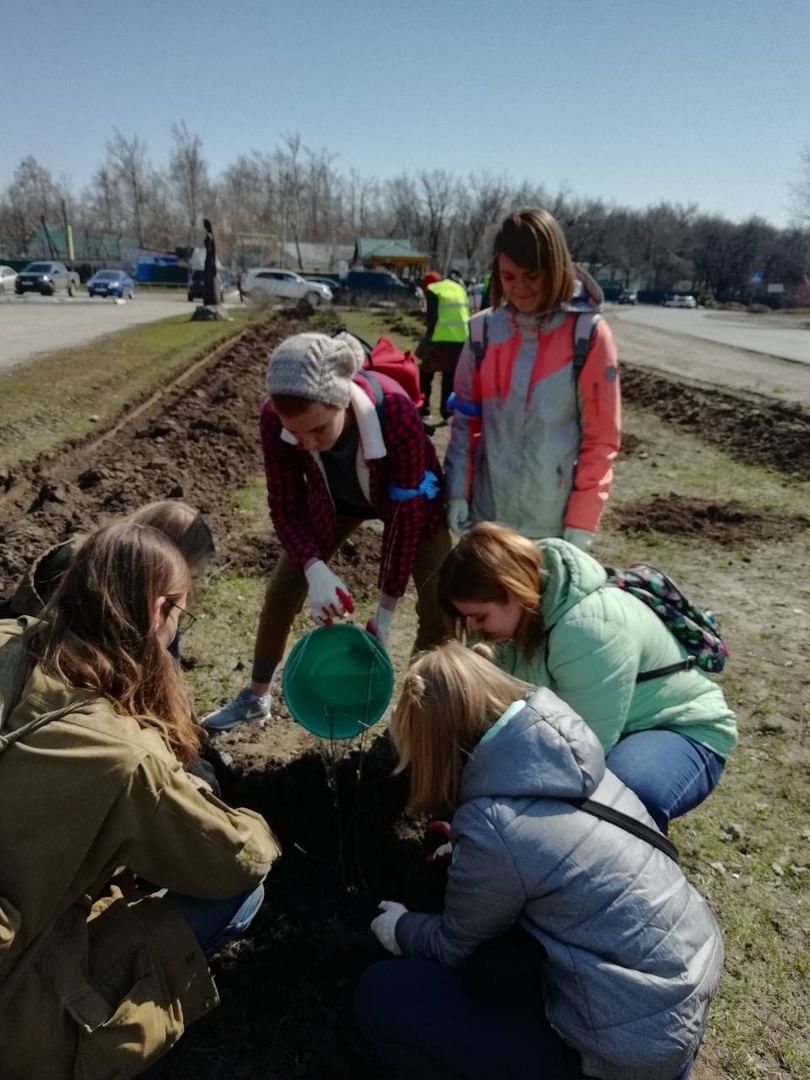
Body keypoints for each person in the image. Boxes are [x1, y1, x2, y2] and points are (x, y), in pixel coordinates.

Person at [354, 642, 724, 1080]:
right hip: (674, 1006)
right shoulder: (571, 762)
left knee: (381, 996)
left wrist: (397, 925)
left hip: (620, 1049)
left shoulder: (494, 823)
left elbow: (451, 947)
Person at [0, 522, 280, 1078]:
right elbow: (236, 859)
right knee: (242, 894)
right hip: (16, 1004)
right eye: (181, 615)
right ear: (158, 612)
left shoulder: (9, 635)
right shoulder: (126, 755)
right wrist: (211, 802)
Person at [202, 331, 453, 732]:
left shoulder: (395, 412)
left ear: (343, 401)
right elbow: (284, 505)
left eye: (318, 430)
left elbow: (404, 520)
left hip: (408, 502)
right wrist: (313, 567)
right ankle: (255, 697)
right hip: (334, 503)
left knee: (441, 599)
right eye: (296, 434)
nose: (308, 443)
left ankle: (416, 717)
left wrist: (385, 613)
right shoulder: (275, 419)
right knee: (283, 589)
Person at [437, 522, 737, 832]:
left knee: (623, 798)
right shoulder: (508, 622)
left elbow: (581, 753)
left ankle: (631, 869)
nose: (471, 628)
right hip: (608, 722)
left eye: (480, 616)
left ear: (514, 591)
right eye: (466, 617)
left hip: (677, 726)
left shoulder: (589, 629)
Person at [444, 207, 621, 551]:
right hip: (487, 517)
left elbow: (601, 439)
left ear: (555, 268)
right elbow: (465, 423)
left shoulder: (588, 337)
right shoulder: (481, 333)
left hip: (551, 525)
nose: (519, 289)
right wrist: (456, 493)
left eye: (532, 276)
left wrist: (581, 523)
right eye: (508, 277)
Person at [416, 269, 471, 421]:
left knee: (426, 373)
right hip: (461, 339)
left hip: (440, 338)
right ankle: (447, 413)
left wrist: (427, 341)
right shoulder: (459, 289)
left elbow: (432, 318)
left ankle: (424, 409)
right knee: (449, 376)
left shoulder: (433, 290)